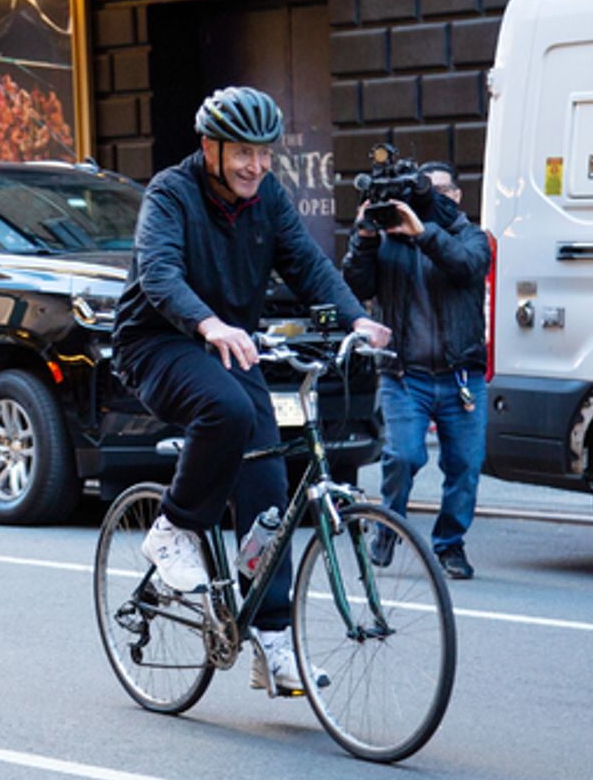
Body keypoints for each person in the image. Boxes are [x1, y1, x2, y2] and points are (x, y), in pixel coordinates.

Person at [112, 86, 391, 697]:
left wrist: (354, 318)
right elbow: (158, 273)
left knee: (269, 490)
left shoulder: (267, 199)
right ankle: (173, 527)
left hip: (227, 346)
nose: (256, 167)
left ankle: (273, 639)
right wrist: (207, 322)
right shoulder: (171, 193)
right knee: (227, 409)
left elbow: (309, 265)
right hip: (158, 341)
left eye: (265, 154)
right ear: (209, 147)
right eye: (242, 153)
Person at [341, 161, 492, 579]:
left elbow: (465, 266)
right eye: (425, 191)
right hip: (404, 375)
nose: (431, 198)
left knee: (465, 465)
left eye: (440, 190)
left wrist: (424, 233)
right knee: (403, 456)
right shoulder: (389, 241)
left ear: (457, 196)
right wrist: (365, 237)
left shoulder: (471, 236)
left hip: (461, 375)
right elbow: (356, 284)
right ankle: (389, 526)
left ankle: (450, 545)